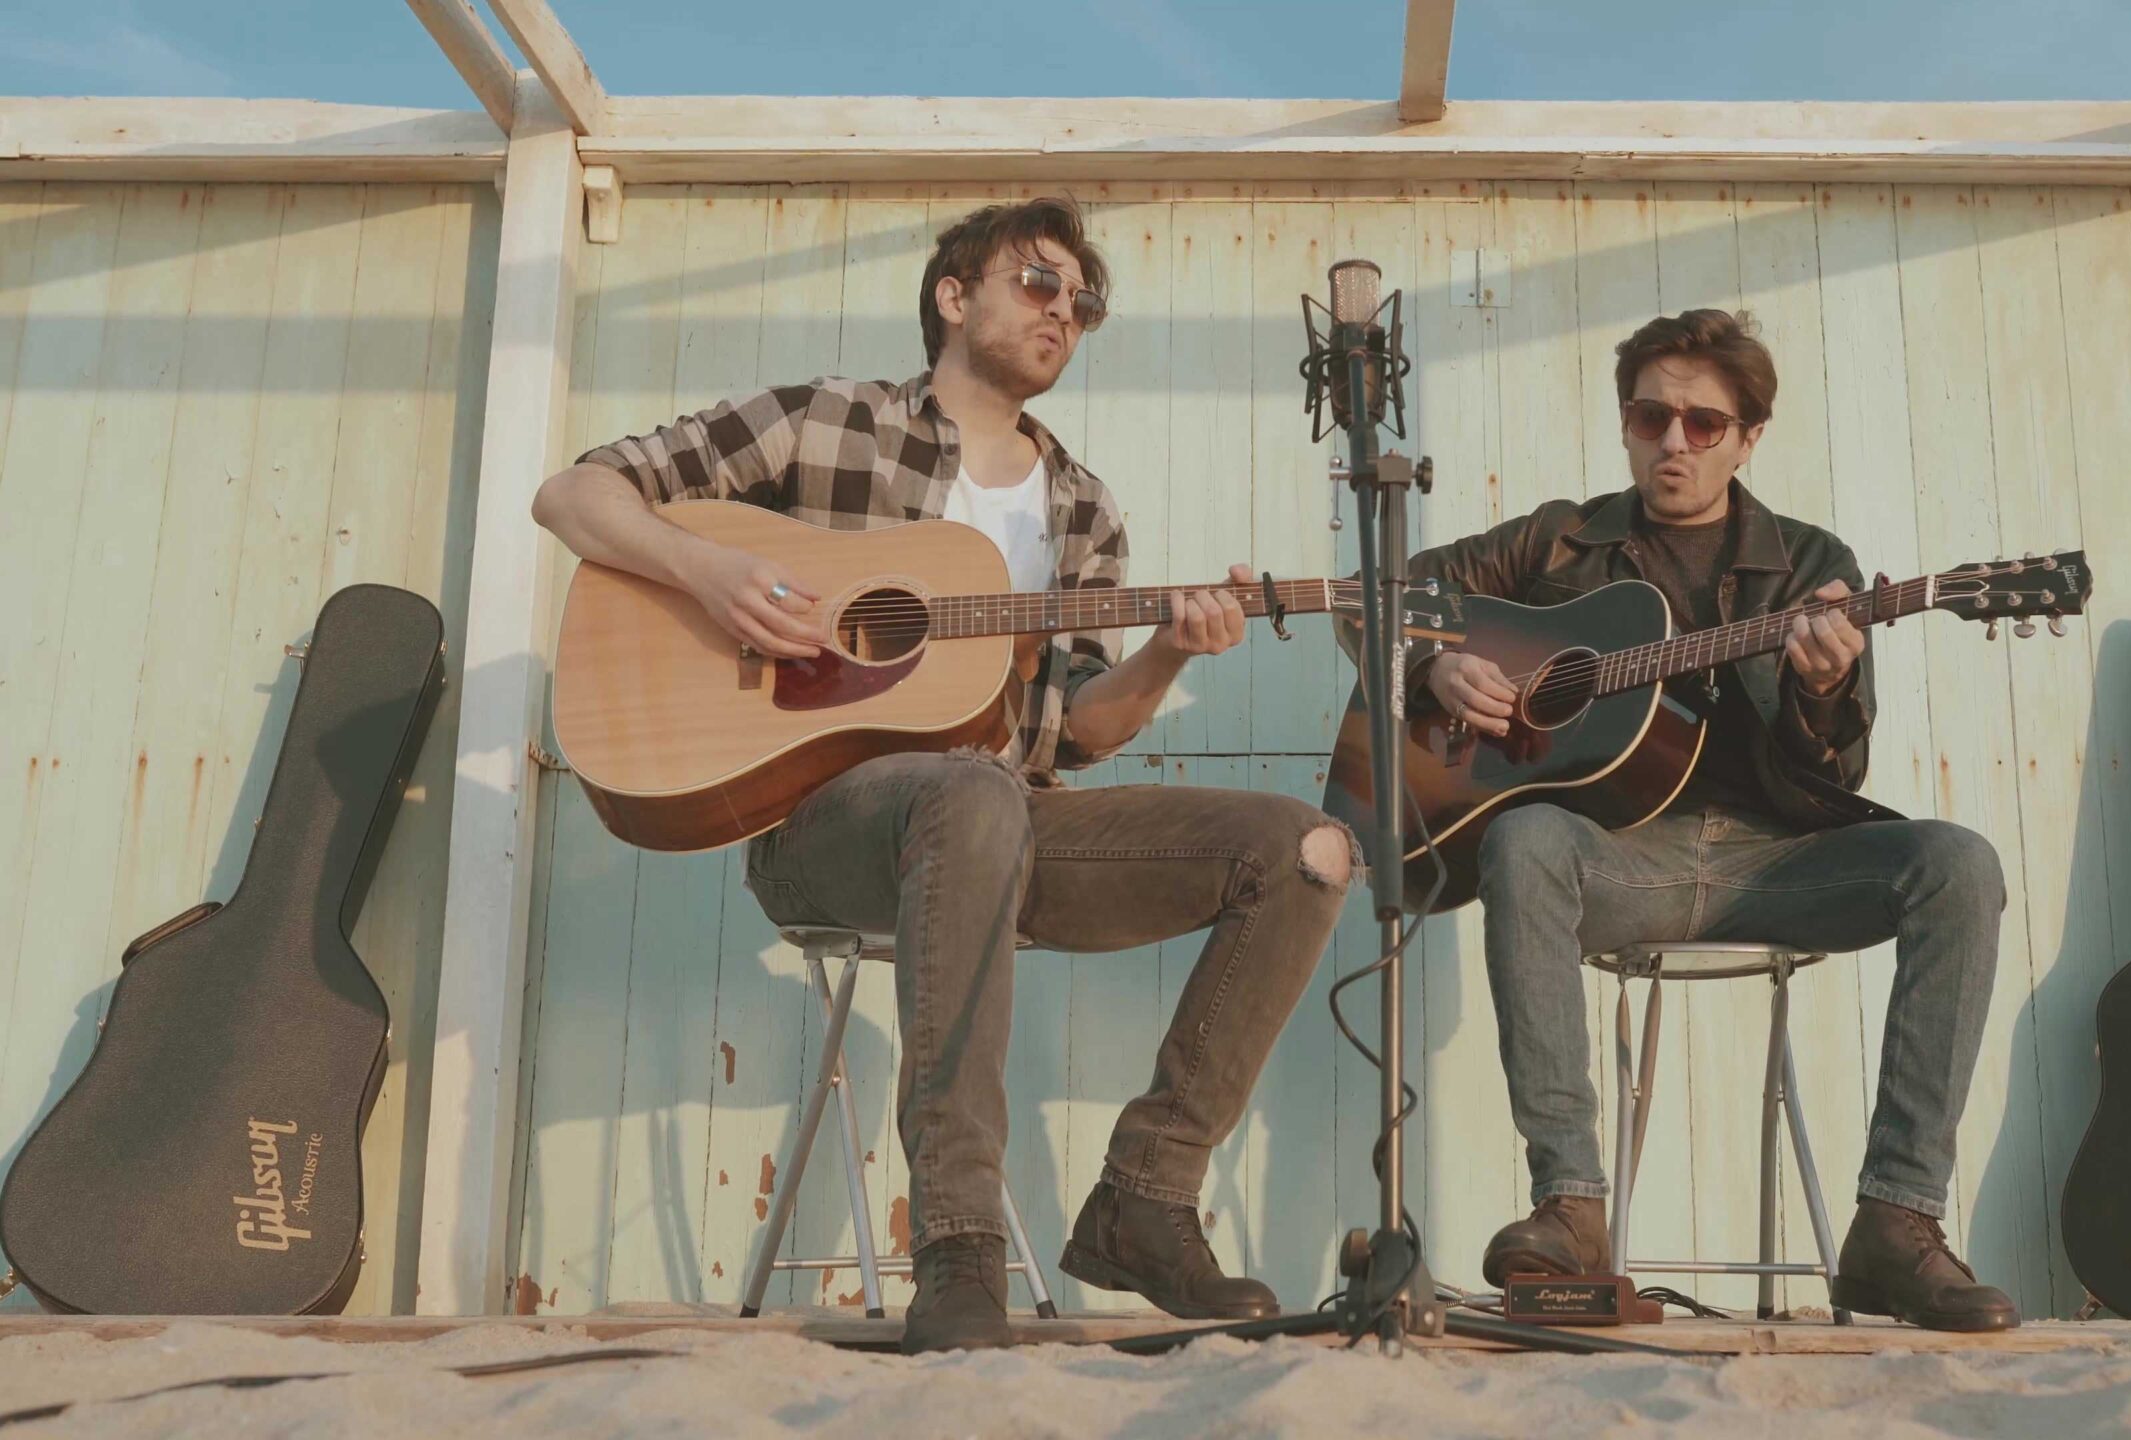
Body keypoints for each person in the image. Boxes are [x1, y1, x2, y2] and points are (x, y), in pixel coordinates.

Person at [531, 197, 1355, 1352]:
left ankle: (1146, 1198)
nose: (1064, 310)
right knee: (966, 795)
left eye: (1083, 300)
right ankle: (959, 1245)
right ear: (953, 296)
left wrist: (1170, 648)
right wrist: (710, 572)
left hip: (1010, 822)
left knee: (1304, 849)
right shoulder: (824, 421)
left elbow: (1081, 732)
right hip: (824, 831)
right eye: (1039, 282)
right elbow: (574, 494)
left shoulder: (1081, 509)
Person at [1402, 308, 2018, 1333]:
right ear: (1626, 422)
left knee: (1958, 863)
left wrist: (1821, 687)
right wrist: (1432, 665)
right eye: (1651, 418)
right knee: (1522, 837)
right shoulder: (1556, 542)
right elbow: (1383, 593)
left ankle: (1897, 1221)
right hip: (1617, 862)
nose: (1673, 443)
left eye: (1702, 422)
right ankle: (1570, 1209)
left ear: (1749, 436)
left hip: (1779, 863)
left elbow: (1838, 768)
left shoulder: (1808, 562)